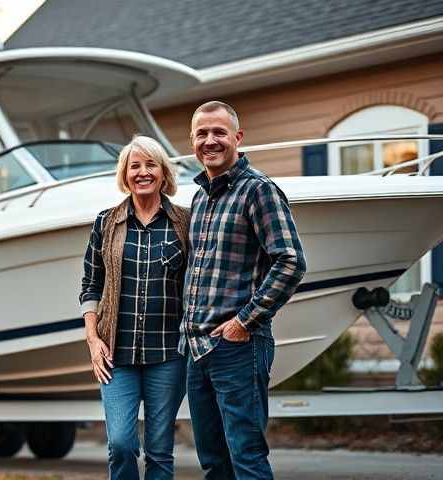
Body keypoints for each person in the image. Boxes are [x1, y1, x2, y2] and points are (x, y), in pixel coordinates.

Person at [181, 101, 306, 479]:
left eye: (219, 132)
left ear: (237, 137)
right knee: (214, 463)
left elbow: (291, 262)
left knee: (246, 458)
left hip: (237, 347)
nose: (210, 140)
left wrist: (243, 322)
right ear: (192, 142)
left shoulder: (259, 190)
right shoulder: (200, 198)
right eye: (202, 134)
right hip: (198, 350)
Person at [79, 135, 191, 480]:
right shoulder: (106, 222)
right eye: (135, 166)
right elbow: (90, 284)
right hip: (116, 355)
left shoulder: (185, 223)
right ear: (125, 174)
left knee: (159, 451)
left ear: (163, 172)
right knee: (122, 444)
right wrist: (92, 339)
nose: (142, 172)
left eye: (150, 165)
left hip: (168, 355)